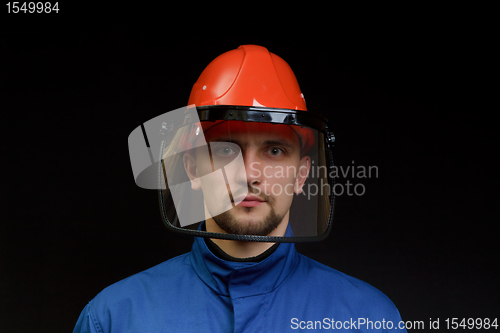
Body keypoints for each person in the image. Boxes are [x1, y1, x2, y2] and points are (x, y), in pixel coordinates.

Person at [73, 45, 407, 332]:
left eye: (274, 150)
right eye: (224, 150)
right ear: (191, 168)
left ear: (302, 174)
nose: (249, 173)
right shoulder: (115, 319)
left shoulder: (369, 319)